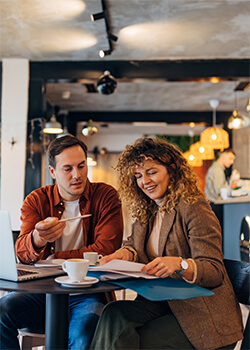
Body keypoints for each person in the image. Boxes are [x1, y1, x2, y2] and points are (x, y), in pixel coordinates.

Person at [90, 136, 243, 350]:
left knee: (131, 340)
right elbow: (134, 245)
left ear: (172, 170)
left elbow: (214, 270)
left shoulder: (193, 206)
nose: (145, 181)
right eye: (138, 175)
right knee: (113, 313)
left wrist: (181, 264)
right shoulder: (147, 209)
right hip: (165, 301)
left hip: (203, 314)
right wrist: (125, 254)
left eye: (152, 172)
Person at [0, 135, 123, 350]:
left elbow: (106, 249)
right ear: (52, 172)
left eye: (81, 166)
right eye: (67, 169)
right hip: (40, 293)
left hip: (88, 293)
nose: (77, 175)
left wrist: (53, 258)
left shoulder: (105, 196)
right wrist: (38, 239)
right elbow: (21, 251)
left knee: (84, 331)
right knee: (2, 311)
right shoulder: (36, 200)